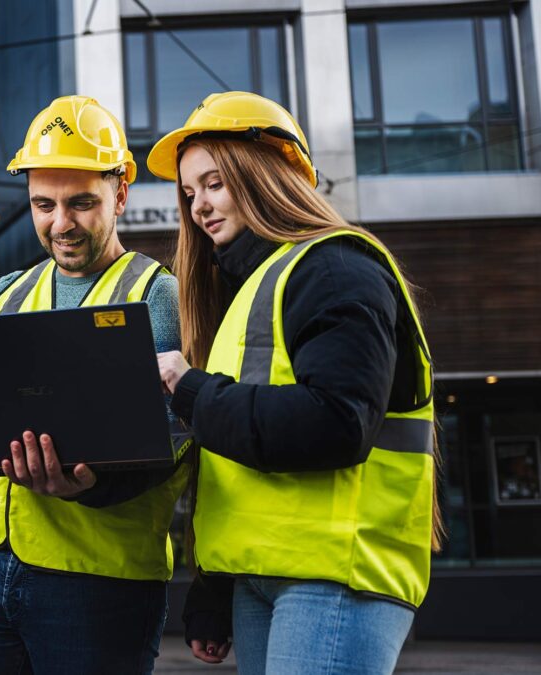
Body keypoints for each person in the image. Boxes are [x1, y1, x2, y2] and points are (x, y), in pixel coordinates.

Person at [148, 91, 444, 674]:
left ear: (265, 176)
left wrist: (191, 389)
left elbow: (338, 422)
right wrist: (214, 591)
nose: (199, 206)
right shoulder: (251, 291)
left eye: (214, 183)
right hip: (263, 576)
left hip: (335, 573)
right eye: (188, 193)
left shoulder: (333, 268)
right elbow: (232, 461)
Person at [0, 95, 190, 675]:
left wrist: (90, 486)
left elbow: (174, 444)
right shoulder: (5, 293)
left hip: (95, 581)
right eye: (43, 205)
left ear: (121, 193)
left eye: (81, 203)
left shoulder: (156, 294)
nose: (60, 223)